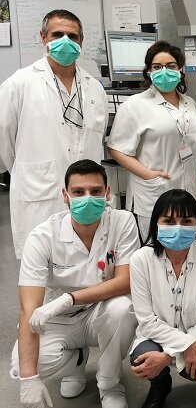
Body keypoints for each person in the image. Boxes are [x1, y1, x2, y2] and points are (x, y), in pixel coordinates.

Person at [10, 159, 140, 408]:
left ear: (108, 194)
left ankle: (109, 385)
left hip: (100, 310)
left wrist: (69, 298)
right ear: (65, 196)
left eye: (95, 191)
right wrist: (29, 379)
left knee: (123, 309)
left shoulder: (123, 222)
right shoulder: (42, 237)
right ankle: (77, 360)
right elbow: (29, 307)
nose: (87, 198)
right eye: (78, 192)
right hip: (58, 317)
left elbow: (126, 282)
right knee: (23, 364)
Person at [0, 9, 108, 260]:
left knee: (88, 265)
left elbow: (98, 136)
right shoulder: (19, 84)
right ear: (43, 37)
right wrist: (28, 171)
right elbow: (4, 140)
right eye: (57, 34)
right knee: (42, 267)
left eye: (73, 36)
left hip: (86, 200)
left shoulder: (94, 88)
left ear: (81, 41)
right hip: (41, 197)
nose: (65, 41)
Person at [129, 189, 196, 408]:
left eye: (186, 221)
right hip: (156, 336)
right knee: (142, 358)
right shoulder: (140, 260)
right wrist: (185, 346)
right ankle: (160, 385)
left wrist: (167, 357)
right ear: (156, 224)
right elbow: (146, 321)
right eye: (168, 221)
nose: (177, 228)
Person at [108, 41, 196, 241]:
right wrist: (147, 174)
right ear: (149, 72)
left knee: (187, 248)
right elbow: (116, 148)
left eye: (170, 66)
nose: (164, 71)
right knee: (155, 250)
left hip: (190, 192)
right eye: (157, 67)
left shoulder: (190, 103)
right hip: (154, 192)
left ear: (180, 70)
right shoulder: (135, 105)